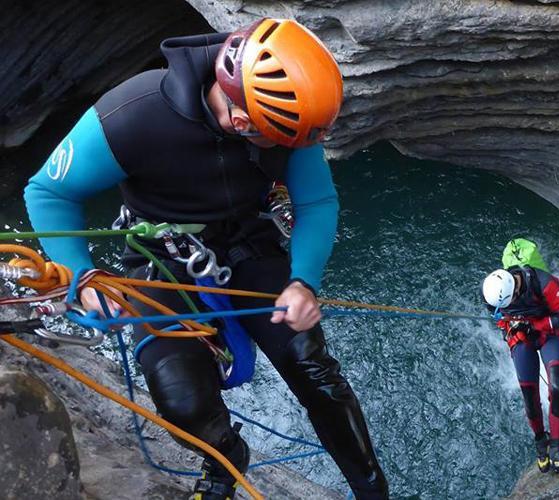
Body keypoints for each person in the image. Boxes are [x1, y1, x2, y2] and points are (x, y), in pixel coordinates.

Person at [23, 18, 388, 499]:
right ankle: (225, 458)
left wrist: (303, 282)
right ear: (240, 120)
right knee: (180, 398)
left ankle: (370, 488)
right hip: (160, 256)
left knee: (314, 370)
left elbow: (316, 201)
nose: (289, 150)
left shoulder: (287, 122)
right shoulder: (134, 113)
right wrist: (84, 274)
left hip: (246, 242)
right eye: (275, 139)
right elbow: (49, 192)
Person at [482, 263, 559, 474]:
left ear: (516, 289)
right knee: (529, 395)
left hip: (548, 335)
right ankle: (540, 444)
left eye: (513, 300)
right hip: (521, 337)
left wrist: (534, 325)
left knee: (556, 387)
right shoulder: (490, 293)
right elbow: (497, 317)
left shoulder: (544, 283)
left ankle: (556, 449)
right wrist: (507, 325)